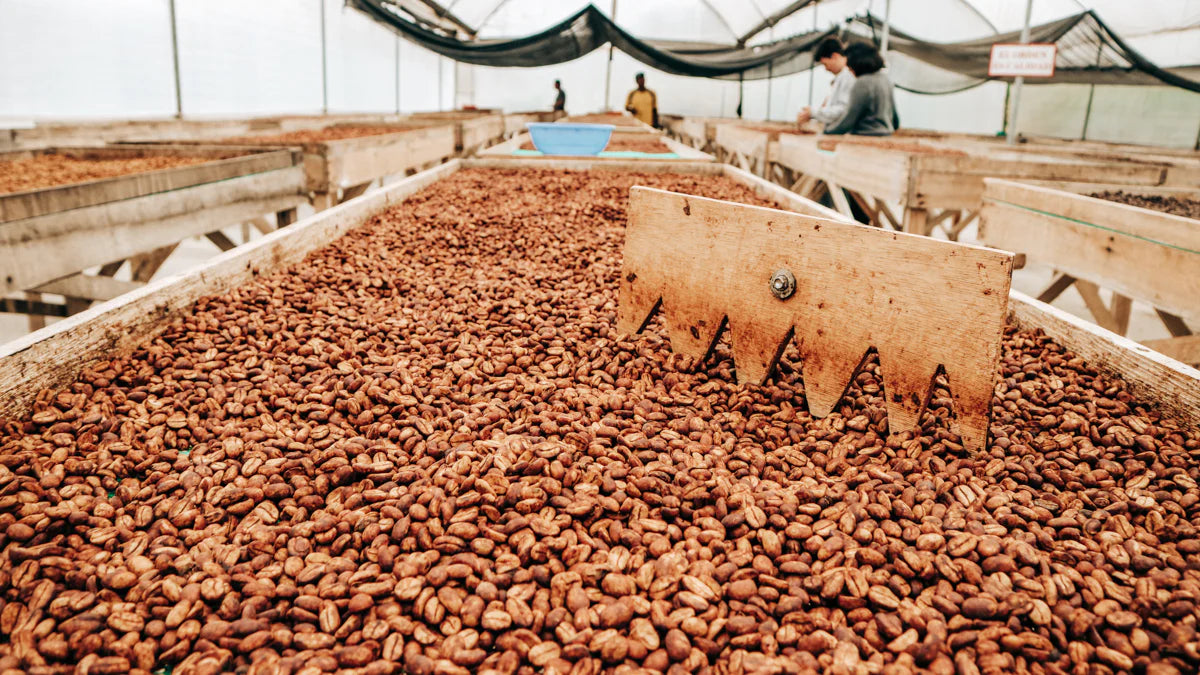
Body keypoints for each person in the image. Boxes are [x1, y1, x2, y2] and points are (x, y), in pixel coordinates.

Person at [823, 42, 899, 136]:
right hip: (886, 135)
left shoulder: (862, 83)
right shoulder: (886, 79)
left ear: (856, 62)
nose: (849, 69)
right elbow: (896, 121)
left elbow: (848, 120)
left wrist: (827, 131)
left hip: (866, 136)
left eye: (850, 65)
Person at [797, 38, 855, 128]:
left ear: (835, 56)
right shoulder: (841, 78)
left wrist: (813, 112)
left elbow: (842, 110)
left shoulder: (849, 76)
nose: (826, 69)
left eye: (825, 64)